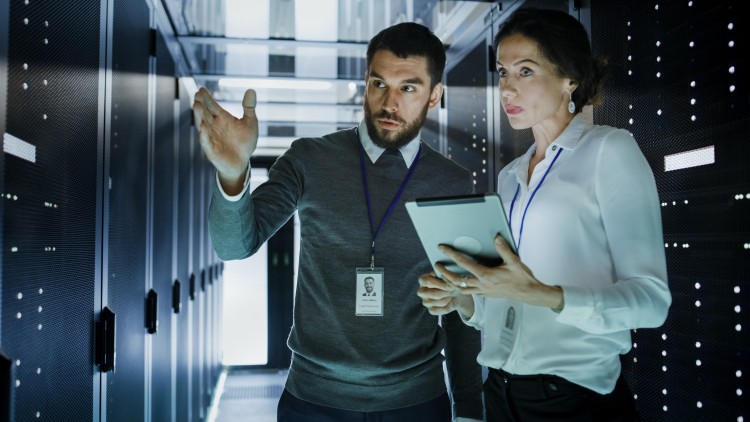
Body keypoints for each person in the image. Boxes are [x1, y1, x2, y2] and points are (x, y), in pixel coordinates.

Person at [193, 22, 484, 422]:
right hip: (313, 401)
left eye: (408, 88)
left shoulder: (452, 182)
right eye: (379, 83)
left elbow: (460, 308)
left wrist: (470, 410)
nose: (389, 103)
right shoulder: (309, 158)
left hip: (416, 402)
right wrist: (232, 174)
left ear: (435, 95)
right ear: (365, 82)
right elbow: (234, 245)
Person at [417, 8, 672, 421]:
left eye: (525, 72)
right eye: (502, 73)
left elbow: (650, 302)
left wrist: (547, 296)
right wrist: (462, 299)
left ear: (570, 77)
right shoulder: (510, 177)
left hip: (573, 400)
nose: (507, 90)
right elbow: (503, 303)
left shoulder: (609, 151)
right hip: (499, 392)